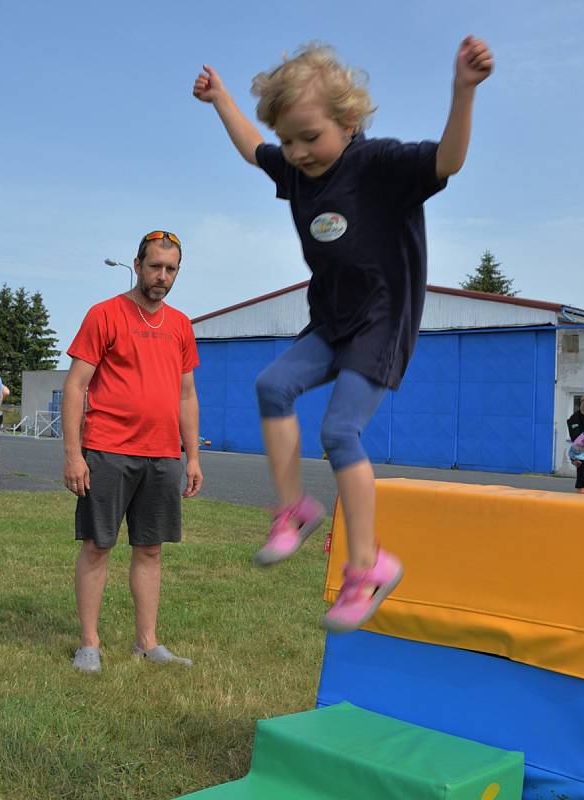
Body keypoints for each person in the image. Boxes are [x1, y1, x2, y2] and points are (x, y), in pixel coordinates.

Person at [194, 37, 493, 632]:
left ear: (348, 121)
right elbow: (253, 151)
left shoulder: (380, 164)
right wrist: (221, 98)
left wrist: (463, 91)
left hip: (381, 321)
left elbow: (449, 160)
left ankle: (368, 565)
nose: (298, 153)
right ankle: (293, 510)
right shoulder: (294, 167)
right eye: (290, 140)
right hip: (330, 320)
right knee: (271, 386)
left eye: (310, 137)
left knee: (337, 430)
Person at [63, 229, 202, 674]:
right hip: (107, 450)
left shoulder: (180, 325)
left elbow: (186, 395)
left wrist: (193, 456)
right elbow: (75, 385)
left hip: (162, 456)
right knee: (98, 545)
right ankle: (89, 644)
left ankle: (147, 642)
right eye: (155, 266)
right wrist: (73, 454)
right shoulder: (105, 315)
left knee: (150, 549)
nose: (162, 276)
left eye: (171, 269)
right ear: (138, 265)